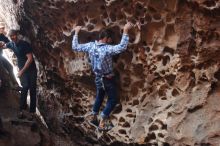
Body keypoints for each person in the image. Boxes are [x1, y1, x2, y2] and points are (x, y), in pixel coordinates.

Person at [72, 22, 134, 130]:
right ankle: (102, 121)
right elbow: (121, 47)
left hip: (98, 78)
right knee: (113, 99)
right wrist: (125, 31)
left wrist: (76, 32)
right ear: (106, 39)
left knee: (100, 96)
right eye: (110, 40)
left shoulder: (90, 46)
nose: (111, 42)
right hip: (107, 79)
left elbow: (75, 46)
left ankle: (93, 117)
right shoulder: (107, 49)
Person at [0, 29, 37, 120]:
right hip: (22, 70)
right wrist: (1, 43)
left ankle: (32, 112)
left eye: (14, 35)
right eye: (11, 36)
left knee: (32, 90)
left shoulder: (25, 44)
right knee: (25, 87)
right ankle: (22, 110)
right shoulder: (11, 44)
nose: (13, 37)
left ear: (17, 35)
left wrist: (21, 71)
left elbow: (30, 59)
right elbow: (4, 46)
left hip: (31, 70)